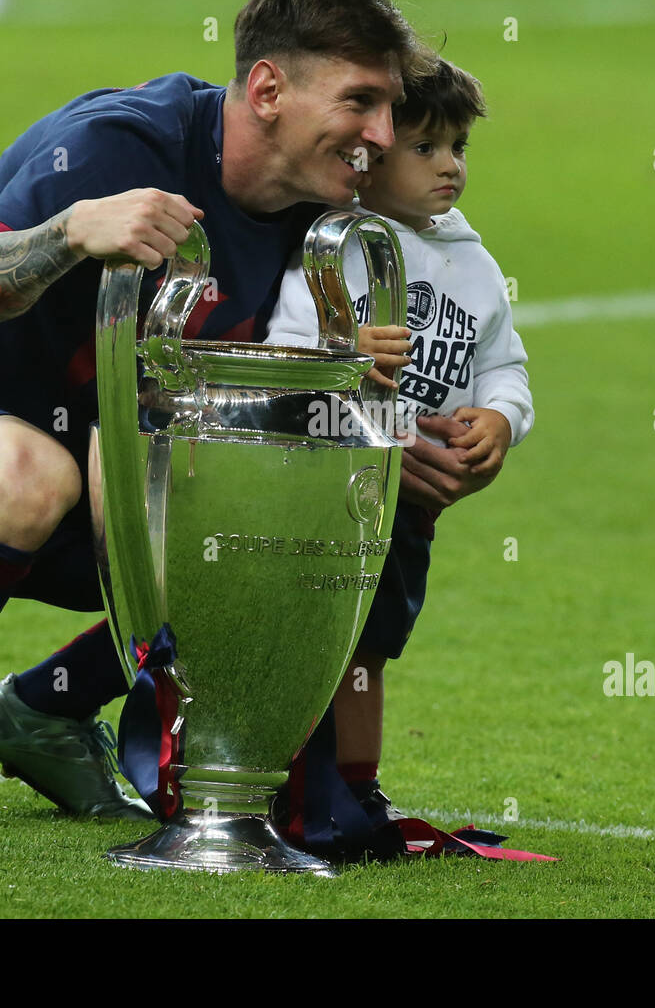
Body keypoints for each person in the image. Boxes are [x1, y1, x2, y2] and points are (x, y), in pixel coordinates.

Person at [0, 0, 431, 840]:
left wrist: (451, 430)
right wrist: (69, 232)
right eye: (361, 102)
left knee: (272, 508)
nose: (383, 133)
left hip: (79, 491)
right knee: (29, 468)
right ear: (269, 88)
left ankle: (43, 710)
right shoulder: (122, 144)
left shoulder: (309, 210)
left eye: (391, 108)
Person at [264, 56, 534, 842]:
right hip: (325, 493)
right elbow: (288, 356)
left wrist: (500, 422)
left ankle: (358, 788)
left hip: (409, 508)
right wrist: (346, 350)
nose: (450, 166)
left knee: (374, 645)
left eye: (458, 148)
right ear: (368, 158)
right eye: (426, 148)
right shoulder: (338, 244)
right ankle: (289, 785)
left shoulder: (476, 265)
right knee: (322, 636)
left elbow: (505, 366)